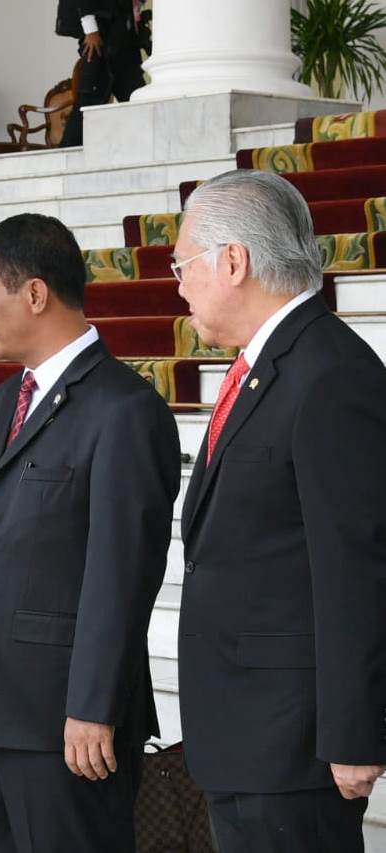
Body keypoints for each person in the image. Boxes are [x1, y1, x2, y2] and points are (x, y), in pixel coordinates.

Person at [0, 213, 181, 852]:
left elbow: (120, 576)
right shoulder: (3, 400)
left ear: (34, 294)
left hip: (64, 719)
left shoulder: (124, 409)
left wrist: (92, 705)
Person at [174, 169, 386, 852]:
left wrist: (355, 732)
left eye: (184, 265)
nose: (178, 286)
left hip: (292, 744)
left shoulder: (330, 373)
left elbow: (357, 567)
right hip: (243, 734)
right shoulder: (265, 367)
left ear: (232, 261)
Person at [56, 0, 147, 147]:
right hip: (101, 36)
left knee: (137, 99)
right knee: (89, 100)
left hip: (122, 38)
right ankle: (65, 152)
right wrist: (91, 30)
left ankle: (146, 147)